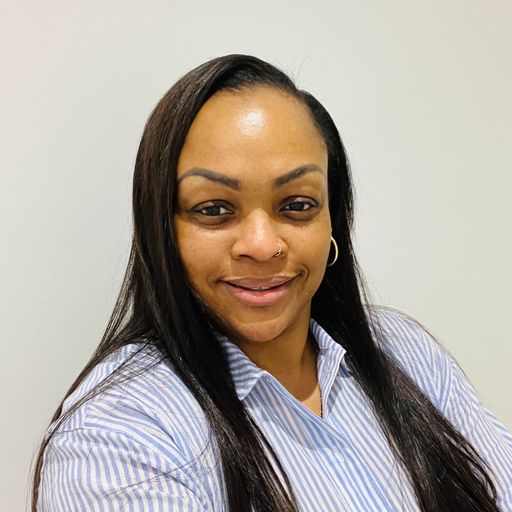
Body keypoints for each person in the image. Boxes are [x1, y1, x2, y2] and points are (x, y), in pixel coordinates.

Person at [32, 54, 512, 512]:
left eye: (297, 205)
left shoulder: (405, 352)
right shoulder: (117, 436)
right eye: (214, 209)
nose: (262, 246)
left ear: (333, 221)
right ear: (162, 231)